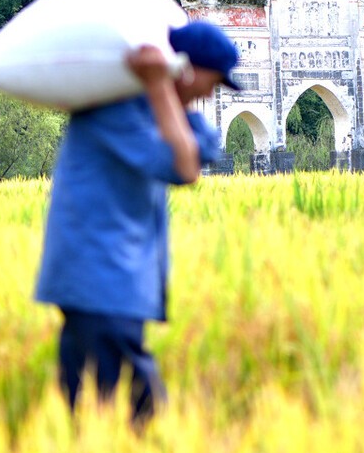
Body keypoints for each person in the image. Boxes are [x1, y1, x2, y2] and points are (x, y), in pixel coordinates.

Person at [35, 21, 239, 426]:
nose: (209, 95)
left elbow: (205, 145)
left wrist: (166, 92)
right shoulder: (116, 111)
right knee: (135, 412)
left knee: (99, 409)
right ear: (185, 69)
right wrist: (161, 85)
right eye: (212, 82)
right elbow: (185, 168)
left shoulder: (154, 109)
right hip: (99, 279)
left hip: (117, 283)